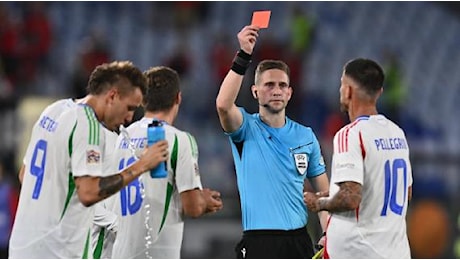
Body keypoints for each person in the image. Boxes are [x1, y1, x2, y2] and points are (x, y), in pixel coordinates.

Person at [9, 61, 169, 258]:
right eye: (129, 108)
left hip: (21, 247)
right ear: (112, 96)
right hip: (57, 252)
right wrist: (142, 165)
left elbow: (25, 175)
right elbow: (89, 192)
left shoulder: (53, 110)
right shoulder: (87, 125)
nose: (129, 118)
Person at [215, 25, 330, 258]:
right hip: (259, 242)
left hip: (299, 241)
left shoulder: (306, 136)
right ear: (255, 91)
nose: (276, 90)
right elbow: (223, 105)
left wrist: (329, 231)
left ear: (289, 93)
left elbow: (324, 192)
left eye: (282, 85)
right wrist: (244, 55)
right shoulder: (245, 128)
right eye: (269, 85)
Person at [304, 58, 413, 258]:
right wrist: (328, 195)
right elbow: (404, 192)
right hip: (395, 252)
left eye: (341, 84)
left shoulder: (350, 134)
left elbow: (351, 197)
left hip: (358, 252)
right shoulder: (397, 133)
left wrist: (318, 204)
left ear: (348, 91)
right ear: (379, 92)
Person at [111, 66, 223, 258]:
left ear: (143, 100)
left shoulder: (122, 138)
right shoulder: (179, 140)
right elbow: (193, 207)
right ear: (178, 98)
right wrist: (203, 200)